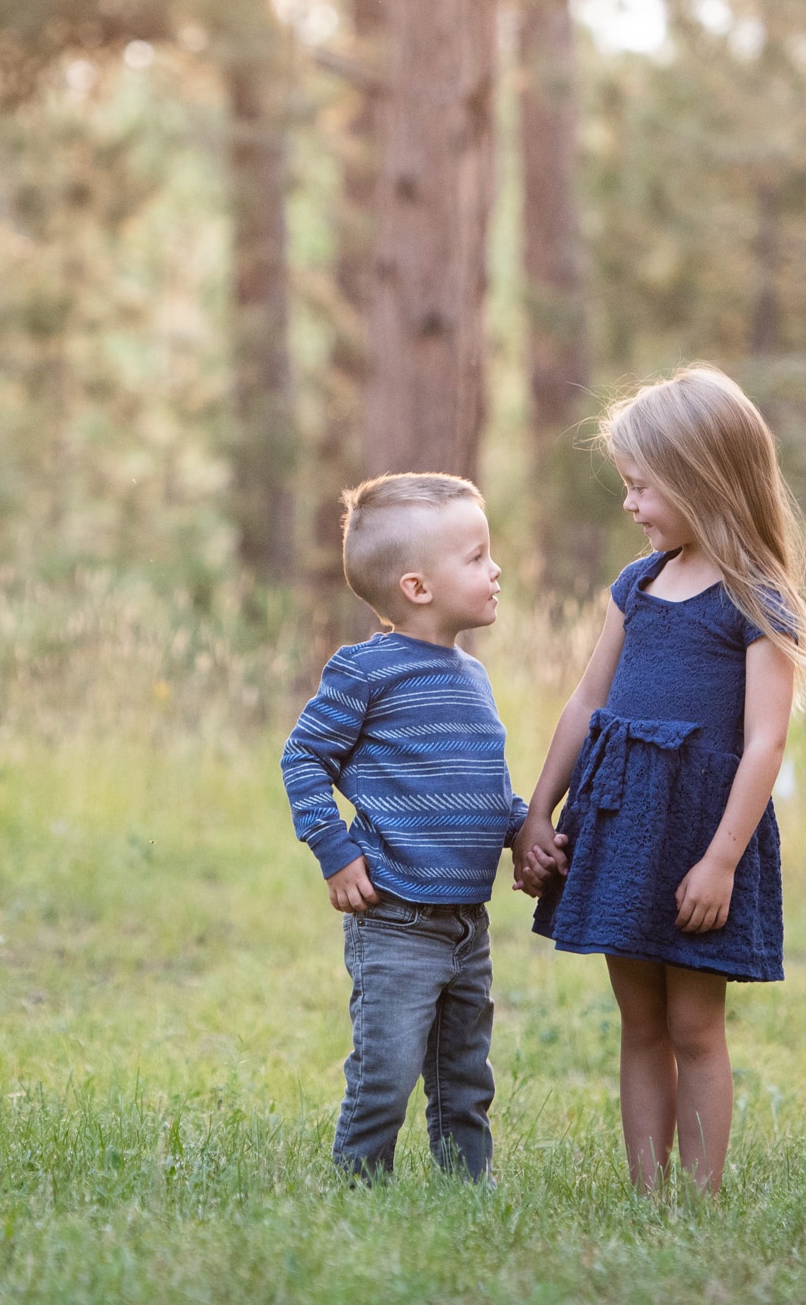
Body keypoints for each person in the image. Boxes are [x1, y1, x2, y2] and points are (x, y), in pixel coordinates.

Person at [513, 365, 806, 1192]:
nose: (629, 505)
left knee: (695, 1023)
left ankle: (698, 1197)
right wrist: (537, 813)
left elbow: (765, 742)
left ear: (700, 479)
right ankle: (646, 1193)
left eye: (641, 487)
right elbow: (587, 703)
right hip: (622, 822)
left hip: (699, 831)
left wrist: (722, 859)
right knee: (639, 1021)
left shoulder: (755, 598)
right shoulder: (640, 583)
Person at [280, 472, 531, 1180]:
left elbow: (482, 790)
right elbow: (302, 756)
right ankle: (360, 1188)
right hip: (394, 915)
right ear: (418, 586)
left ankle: (464, 1195)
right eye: (477, 556)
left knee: (465, 1077)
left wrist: (525, 832)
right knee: (386, 1071)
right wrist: (334, 849)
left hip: (465, 923)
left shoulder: (471, 676)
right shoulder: (365, 671)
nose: (496, 568)